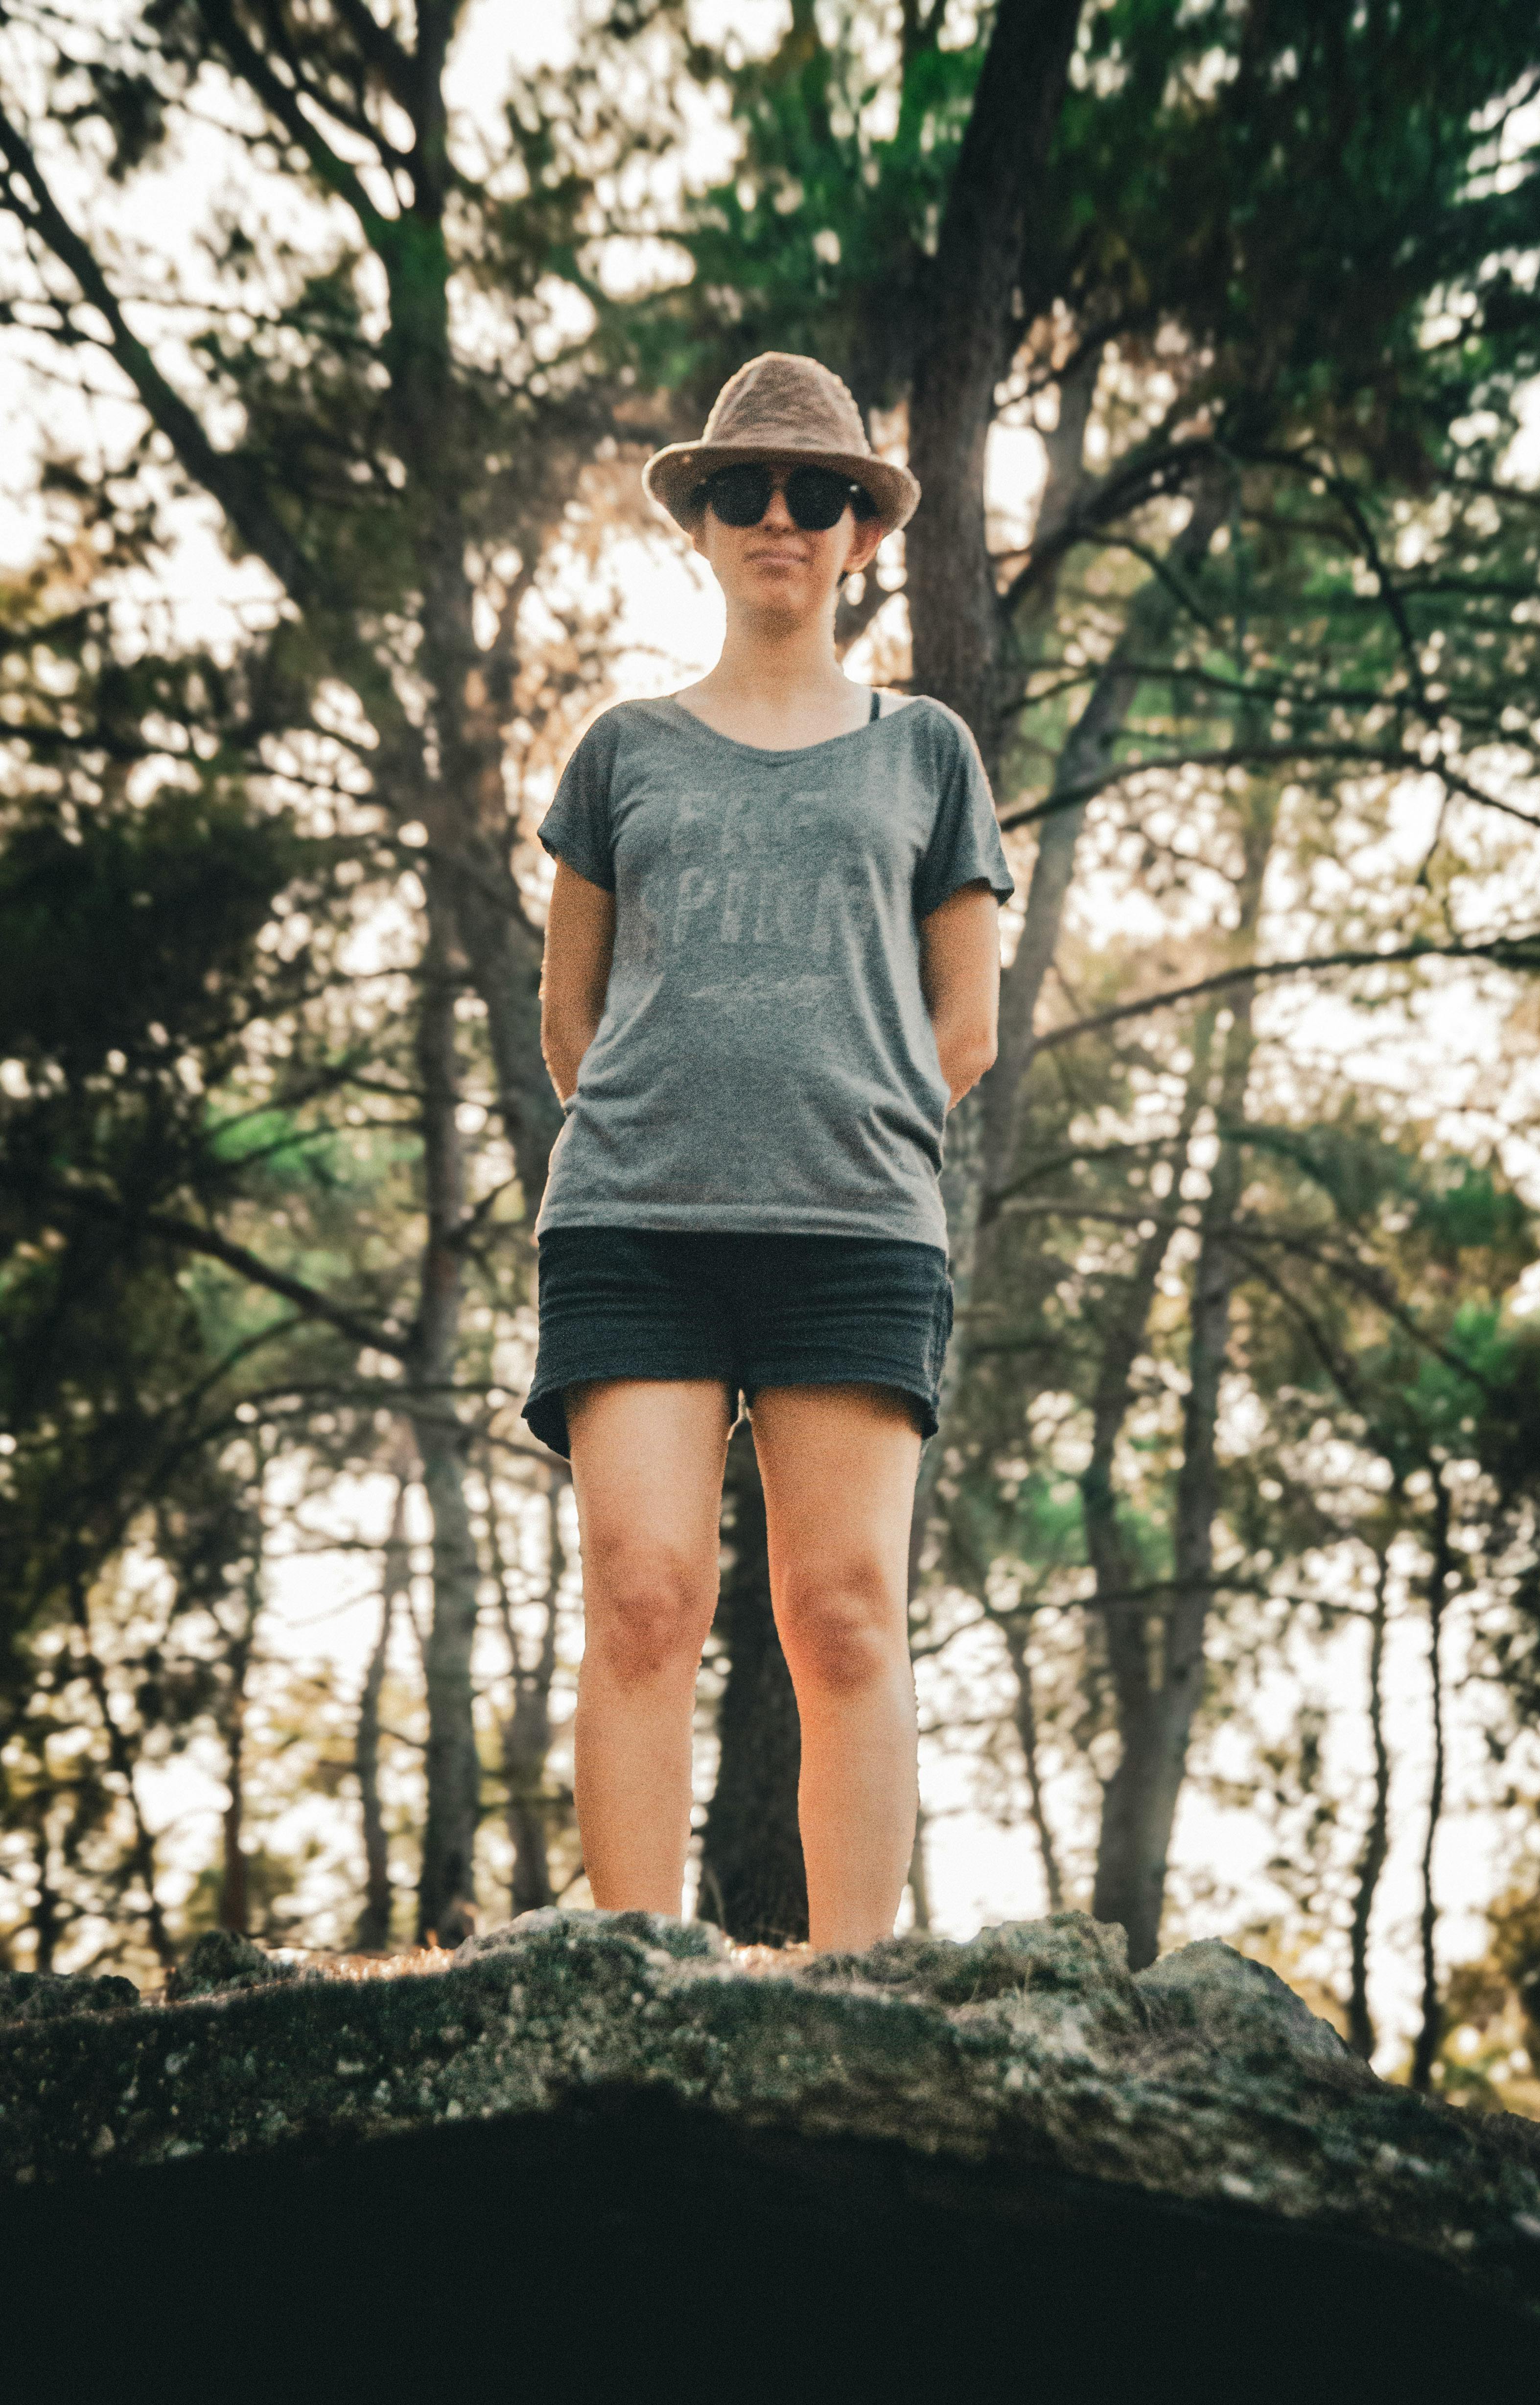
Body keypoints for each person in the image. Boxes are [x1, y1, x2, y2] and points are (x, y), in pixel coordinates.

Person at [523, 352, 1014, 1951]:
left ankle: (855, 1999)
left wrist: (841, 1125)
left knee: (847, 1618)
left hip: (856, 1233)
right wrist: (681, 1120)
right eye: (746, 490)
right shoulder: (622, 753)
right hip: (636, 1228)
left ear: (864, 533)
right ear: (706, 525)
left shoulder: (927, 752)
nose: (781, 517)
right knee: (644, 1598)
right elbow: (569, 1017)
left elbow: (969, 1024)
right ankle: (630, 1996)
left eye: (818, 494)